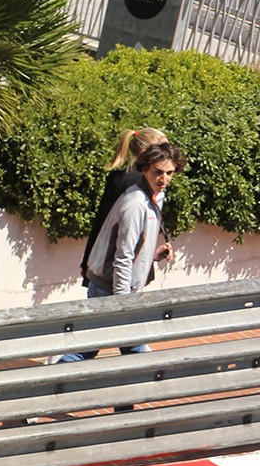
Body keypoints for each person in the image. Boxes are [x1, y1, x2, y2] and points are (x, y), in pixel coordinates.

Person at [61, 141, 186, 366]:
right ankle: (51, 387)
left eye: (170, 173)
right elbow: (123, 256)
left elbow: (134, 247)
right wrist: (123, 304)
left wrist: (154, 254)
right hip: (111, 291)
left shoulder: (153, 198)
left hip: (120, 290)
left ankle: (121, 401)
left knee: (109, 354)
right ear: (145, 169)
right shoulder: (136, 203)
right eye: (158, 172)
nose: (164, 179)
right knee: (122, 357)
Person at [80, 128, 169, 286]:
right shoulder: (135, 186)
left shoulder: (128, 179)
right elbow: (123, 245)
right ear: (144, 152)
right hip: (115, 280)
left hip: (119, 277)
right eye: (161, 150)